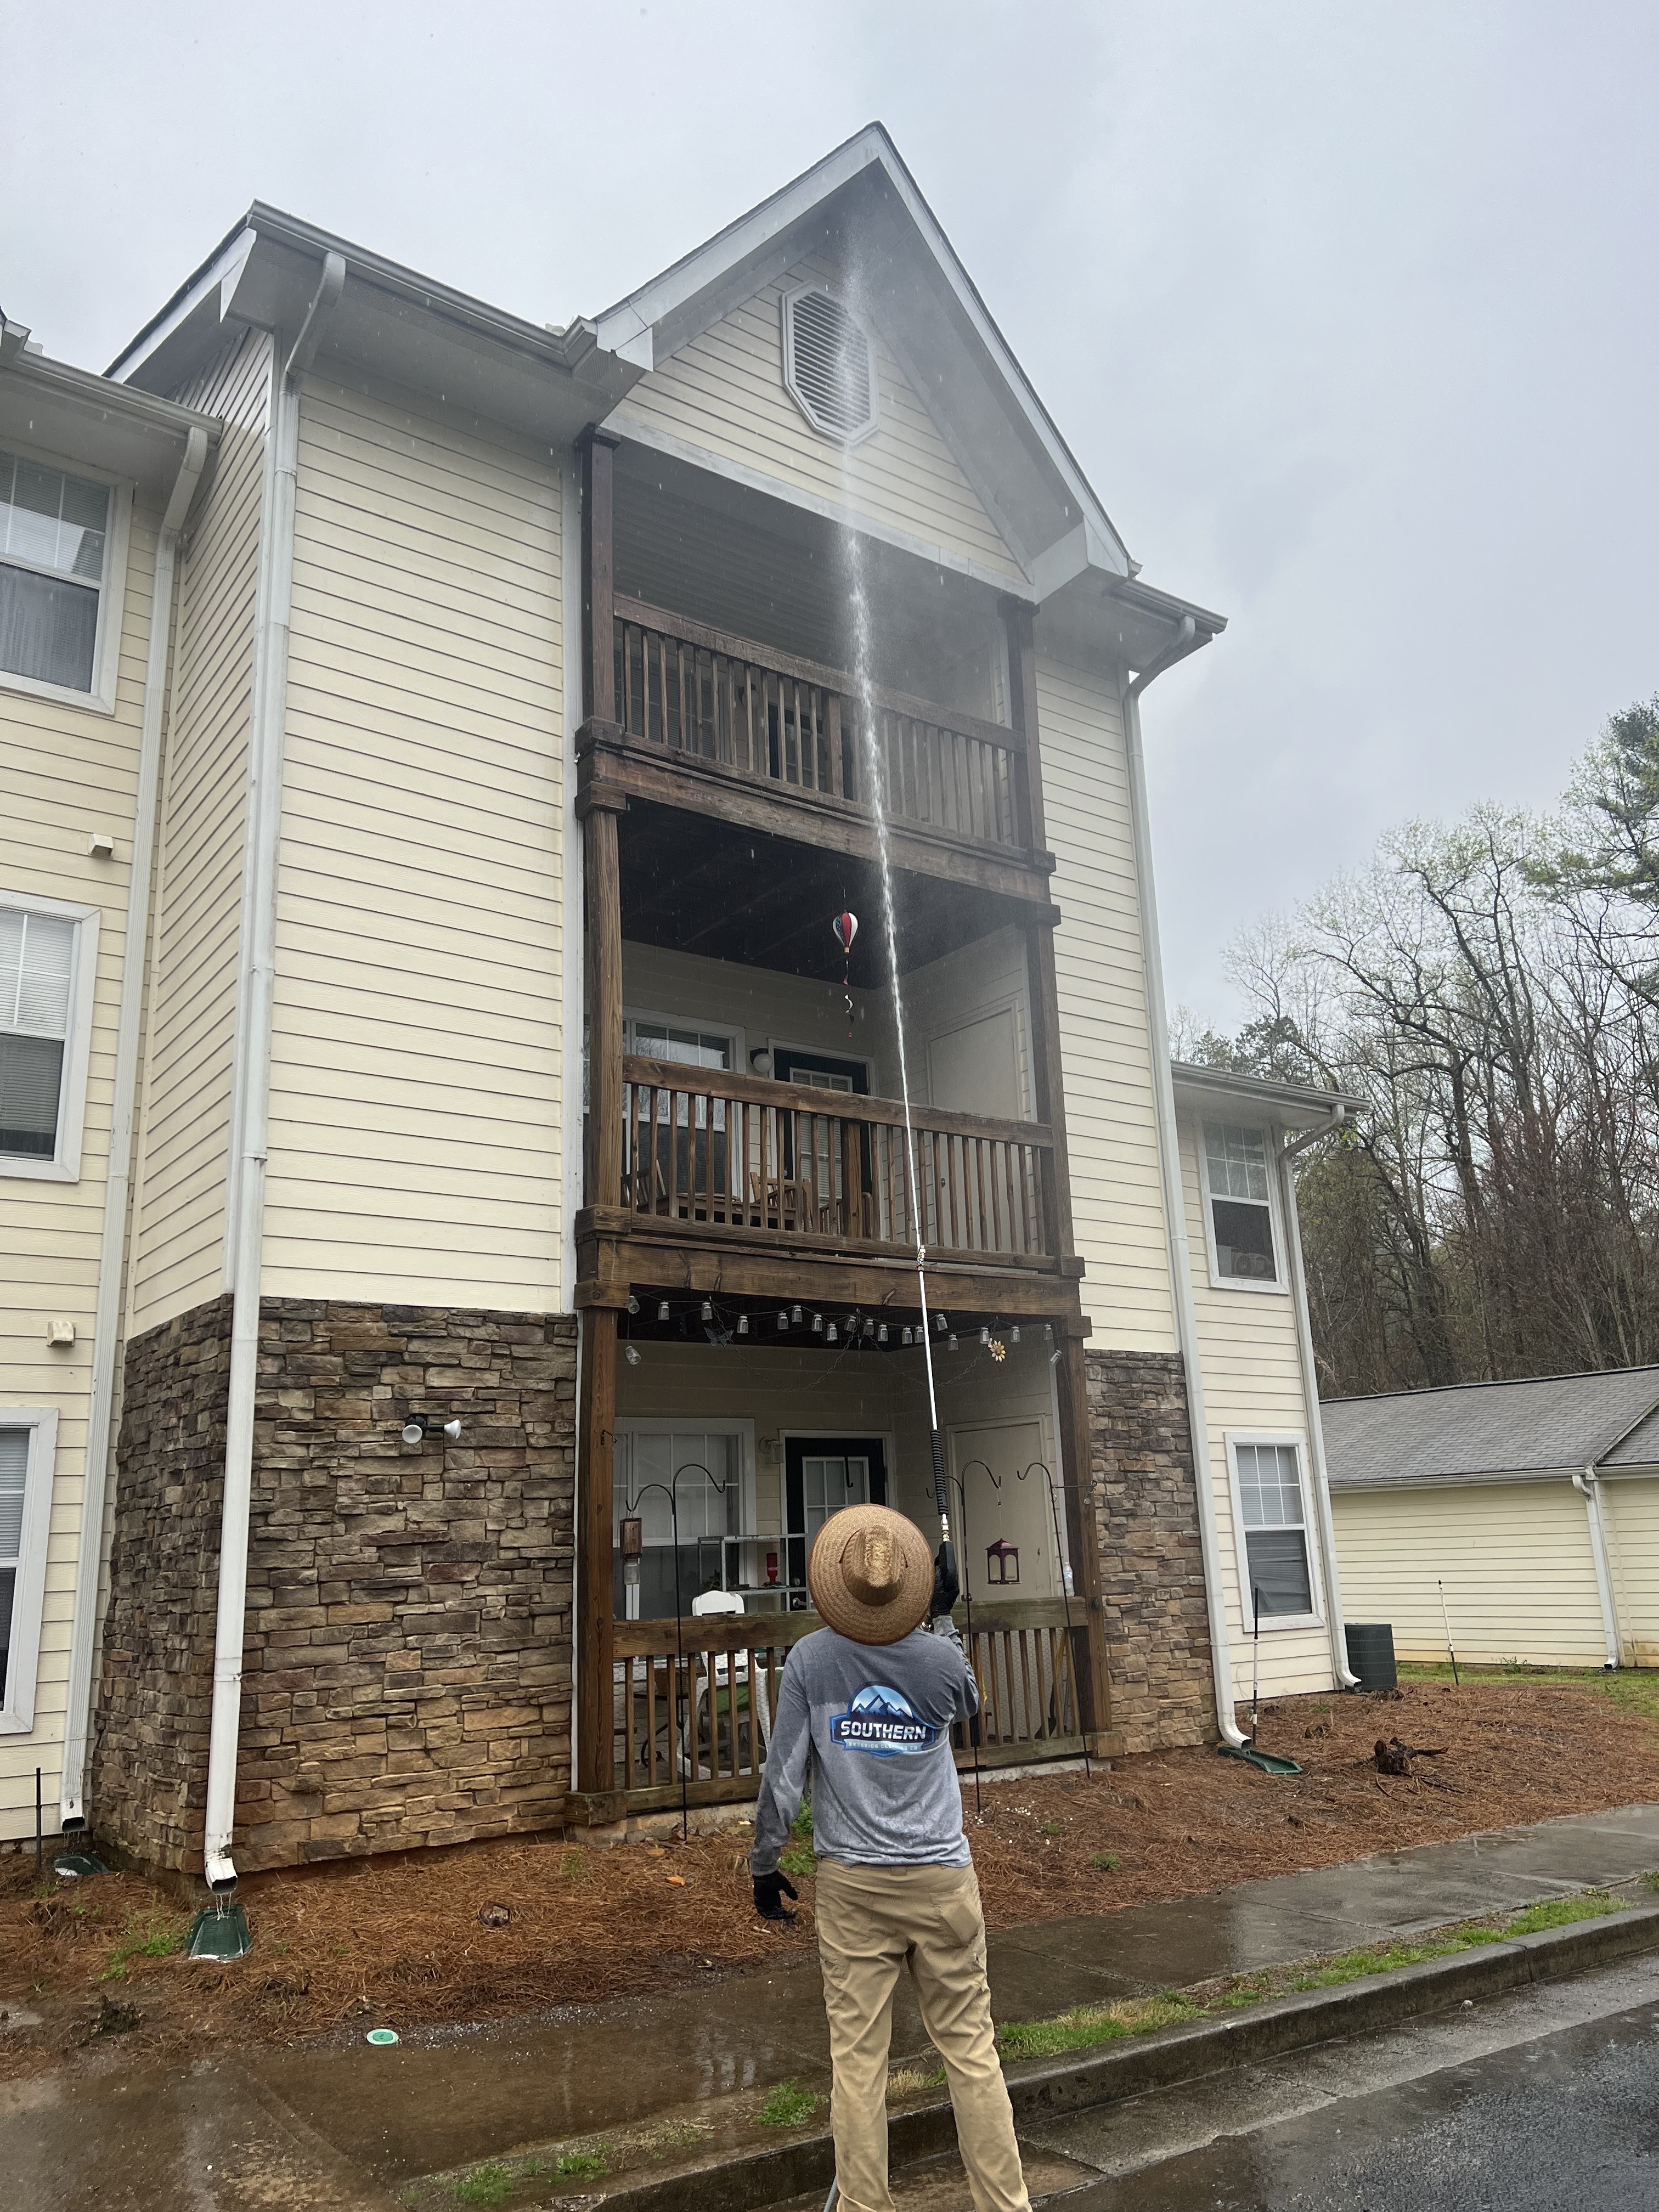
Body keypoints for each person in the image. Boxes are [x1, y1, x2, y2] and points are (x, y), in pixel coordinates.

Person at [751, 1503, 1030, 2212]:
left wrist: (764, 1863)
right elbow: (966, 1700)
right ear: (913, 1583)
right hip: (942, 1881)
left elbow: (783, 1777)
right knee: (971, 2053)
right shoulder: (939, 1660)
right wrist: (941, 1622)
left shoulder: (811, 1662)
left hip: (854, 1890)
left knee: (858, 2066)